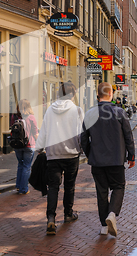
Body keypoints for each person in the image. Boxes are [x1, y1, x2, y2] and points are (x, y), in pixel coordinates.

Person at [81, 82, 135, 237]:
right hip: (116, 159)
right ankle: (112, 214)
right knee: (118, 187)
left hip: (97, 161)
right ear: (111, 94)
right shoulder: (119, 112)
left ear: (97, 95)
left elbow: (83, 139)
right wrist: (131, 156)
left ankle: (104, 226)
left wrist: (91, 154)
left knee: (101, 192)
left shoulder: (90, 113)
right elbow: (128, 136)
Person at [35, 81, 84, 235]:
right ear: (72, 94)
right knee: (69, 186)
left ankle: (51, 218)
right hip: (71, 154)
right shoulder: (77, 110)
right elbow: (81, 133)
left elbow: (44, 130)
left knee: (53, 187)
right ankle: (68, 214)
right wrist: (82, 149)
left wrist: (39, 148)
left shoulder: (50, 110)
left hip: (53, 154)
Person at [11, 99, 38, 194]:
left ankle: (18, 186)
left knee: (20, 165)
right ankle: (24, 189)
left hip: (17, 144)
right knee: (27, 166)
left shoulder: (14, 117)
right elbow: (35, 133)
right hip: (29, 145)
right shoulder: (31, 117)